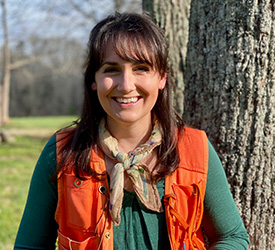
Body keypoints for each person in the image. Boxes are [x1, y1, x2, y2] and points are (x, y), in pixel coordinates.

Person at [14, 12, 249, 250]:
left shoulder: (195, 150)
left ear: (162, 78)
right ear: (93, 80)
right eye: (111, 69)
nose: (126, 85)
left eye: (141, 68)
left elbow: (232, 236)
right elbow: (29, 246)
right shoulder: (62, 154)